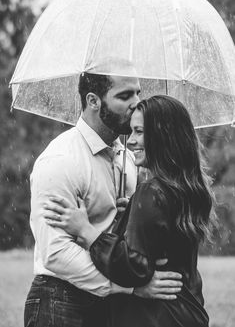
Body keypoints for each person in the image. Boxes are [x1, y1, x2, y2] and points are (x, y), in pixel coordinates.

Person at [25, 72, 183, 327]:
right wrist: (128, 286)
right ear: (93, 101)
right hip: (62, 300)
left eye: (137, 93)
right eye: (124, 95)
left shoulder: (129, 159)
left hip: (110, 305)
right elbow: (55, 252)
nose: (135, 103)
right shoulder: (61, 160)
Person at [44, 95, 214, 327]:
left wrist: (86, 231)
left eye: (139, 132)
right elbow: (162, 247)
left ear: (162, 135)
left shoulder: (152, 192)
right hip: (187, 312)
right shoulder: (188, 189)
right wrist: (131, 214)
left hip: (156, 316)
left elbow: (135, 269)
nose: (131, 141)